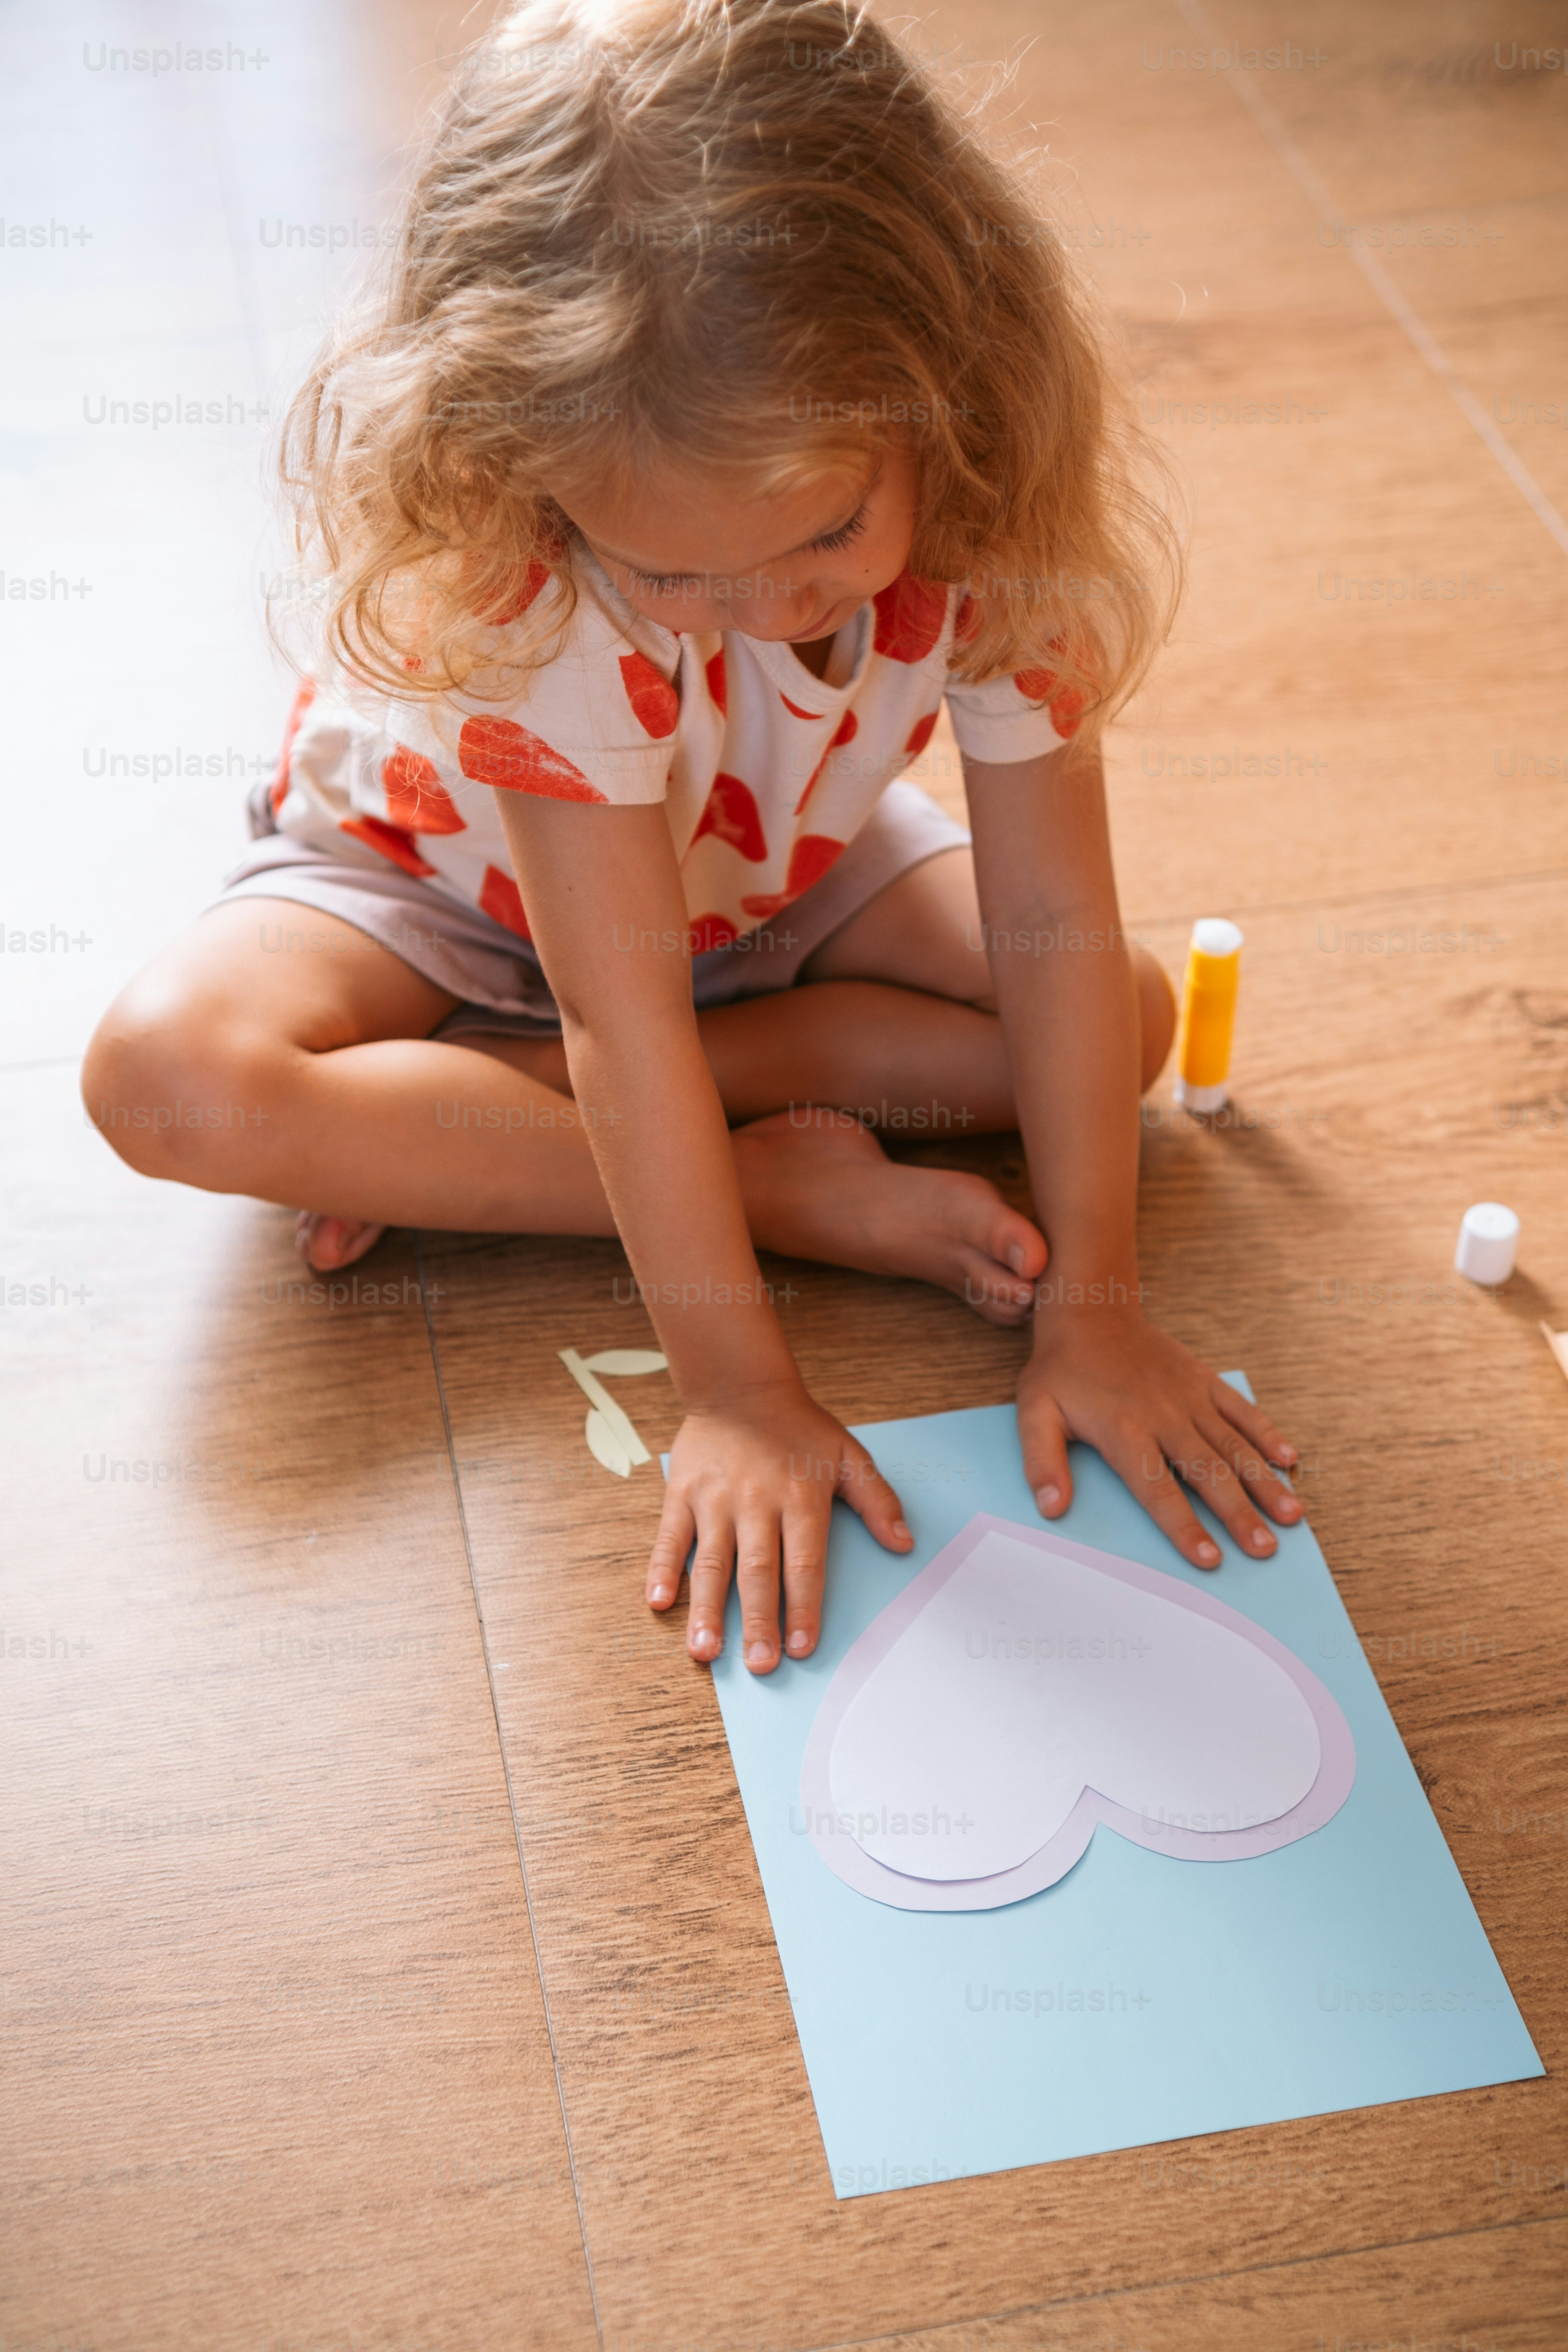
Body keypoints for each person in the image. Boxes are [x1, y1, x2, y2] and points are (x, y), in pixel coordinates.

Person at [84, 0, 1302, 1675]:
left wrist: (1094, 1305)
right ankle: (771, 1191)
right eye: (672, 575)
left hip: (764, 877)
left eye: (821, 537)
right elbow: (617, 1013)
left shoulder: (998, 514)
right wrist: (739, 1387)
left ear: (937, 395)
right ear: (527, 466)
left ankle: (474, 1117)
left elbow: (1051, 935)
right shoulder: (537, 570)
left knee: (1121, 1029)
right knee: (168, 1081)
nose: (753, 614)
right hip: (444, 878)